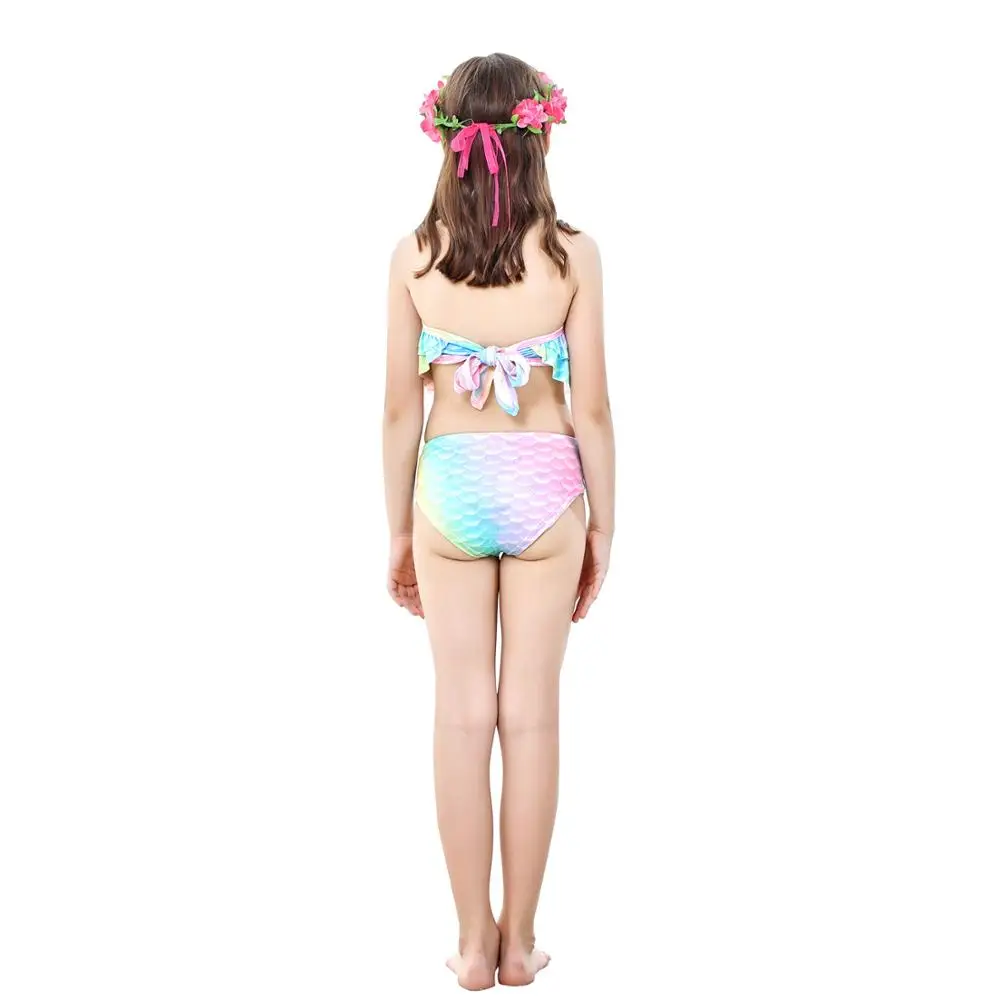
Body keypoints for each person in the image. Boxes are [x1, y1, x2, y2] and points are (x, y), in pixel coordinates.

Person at [382, 53, 615, 990]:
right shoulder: (572, 255)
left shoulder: (414, 257)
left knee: (461, 713)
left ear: (446, 140)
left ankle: (471, 944)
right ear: (539, 138)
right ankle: (520, 942)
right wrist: (603, 527)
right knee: (531, 717)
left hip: (449, 490)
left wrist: (401, 532)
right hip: (546, 487)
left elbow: (398, 412)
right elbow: (591, 408)